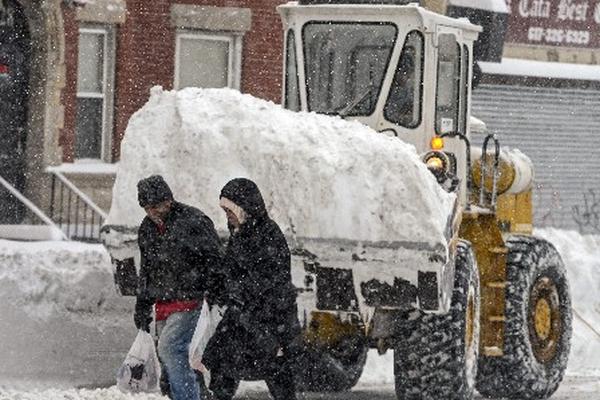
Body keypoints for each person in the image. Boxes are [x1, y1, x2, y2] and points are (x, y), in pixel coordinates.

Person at [203, 178, 300, 400]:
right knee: (223, 367)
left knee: (277, 373)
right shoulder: (240, 234)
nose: (227, 216)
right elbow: (232, 271)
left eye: (230, 211)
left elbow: (271, 282)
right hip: (242, 319)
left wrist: (238, 292)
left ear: (244, 209)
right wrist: (218, 287)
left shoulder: (268, 235)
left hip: (268, 320)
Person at [134, 175, 222, 400]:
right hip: (163, 302)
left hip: (190, 300)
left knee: (170, 350)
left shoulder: (193, 221)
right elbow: (147, 269)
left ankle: (189, 396)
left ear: (168, 200)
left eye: (156, 206)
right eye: (147, 208)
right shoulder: (147, 229)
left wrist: (211, 292)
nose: (152, 212)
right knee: (174, 357)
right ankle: (191, 393)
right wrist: (142, 304)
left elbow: (214, 260)